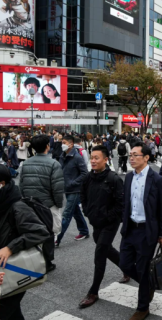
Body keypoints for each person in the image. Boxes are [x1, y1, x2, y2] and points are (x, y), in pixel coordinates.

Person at [119, 142, 162, 320]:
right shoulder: (129, 177)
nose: (131, 158)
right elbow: (126, 203)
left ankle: (143, 307)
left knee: (142, 268)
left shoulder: (157, 180)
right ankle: (148, 286)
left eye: (135, 155)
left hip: (147, 231)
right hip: (130, 228)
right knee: (124, 263)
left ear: (146, 158)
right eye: (130, 155)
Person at [78, 145, 127, 308]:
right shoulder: (88, 178)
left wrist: (108, 217)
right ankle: (128, 268)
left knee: (100, 253)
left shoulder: (113, 179)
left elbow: (121, 204)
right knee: (106, 249)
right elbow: (83, 196)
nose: (93, 161)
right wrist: (87, 211)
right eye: (92, 157)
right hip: (95, 221)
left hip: (109, 223)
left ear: (106, 160)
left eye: (96, 158)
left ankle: (93, 292)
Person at [0, 164, 50, 320]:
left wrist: (10, 247)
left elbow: (39, 232)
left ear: (2, 183)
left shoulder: (17, 205)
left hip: (11, 267)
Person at [19, 134, 64, 273]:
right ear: (47, 146)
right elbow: (57, 188)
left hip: (30, 204)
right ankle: (47, 262)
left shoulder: (25, 163)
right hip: (47, 204)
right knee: (49, 232)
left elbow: (21, 185)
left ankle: (33, 260)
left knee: (32, 231)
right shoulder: (54, 164)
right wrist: (58, 204)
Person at [55, 135, 90, 246]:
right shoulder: (63, 155)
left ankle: (56, 239)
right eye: (62, 142)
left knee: (66, 214)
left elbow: (85, 174)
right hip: (67, 188)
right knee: (75, 211)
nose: (62, 145)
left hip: (75, 190)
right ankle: (84, 231)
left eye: (64, 142)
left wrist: (72, 183)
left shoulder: (77, 157)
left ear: (71, 144)